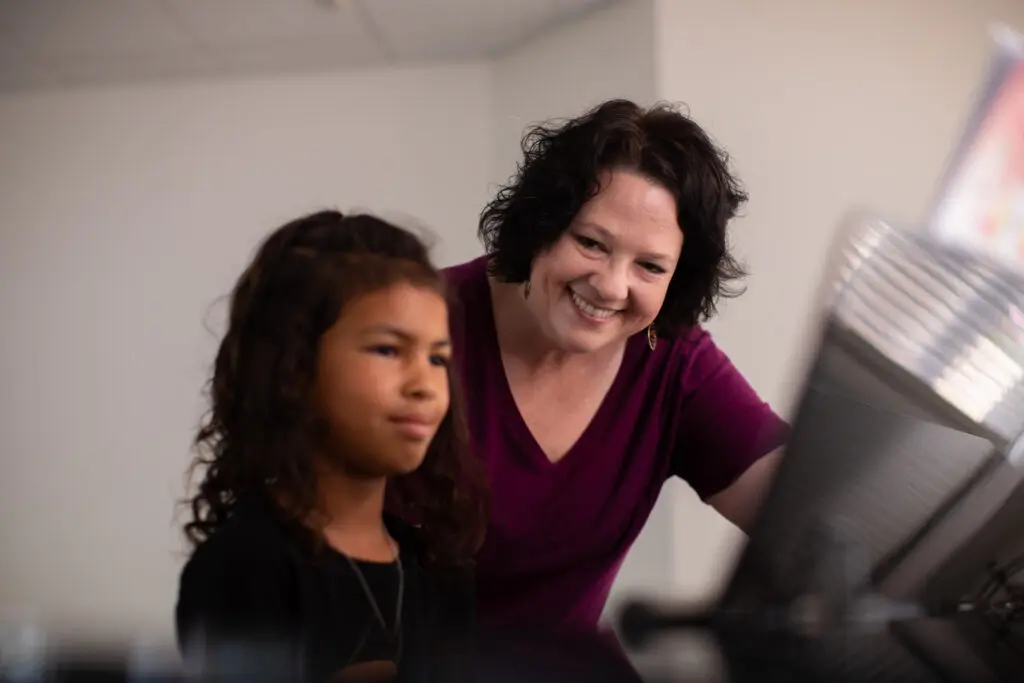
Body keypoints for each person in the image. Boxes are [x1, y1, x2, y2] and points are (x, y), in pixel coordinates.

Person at [444, 99, 790, 636]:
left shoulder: (672, 361)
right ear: (541, 226)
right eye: (590, 243)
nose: (610, 286)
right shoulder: (423, 319)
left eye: (649, 266)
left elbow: (807, 510)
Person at [176, 210, 489, 683]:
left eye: (437, 358)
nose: (425, 384)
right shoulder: (243, 568)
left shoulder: (439, 572)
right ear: (294, 369)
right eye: (387, 349)